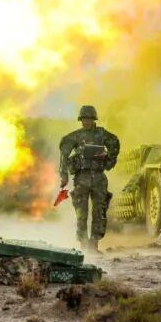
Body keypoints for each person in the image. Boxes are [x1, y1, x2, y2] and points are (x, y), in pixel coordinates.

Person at [59, 105, 120, 251]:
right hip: (81, 178)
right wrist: (64, 175)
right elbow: (64, 151)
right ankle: (83, 245)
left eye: (89, 119)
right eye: (84, 119)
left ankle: (94, 245)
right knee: (81, 213)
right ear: (81, 120)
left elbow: (115, 143)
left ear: (94, 119)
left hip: (99, 177)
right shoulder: (75, 136)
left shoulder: (101, 134)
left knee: (99, 212)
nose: (86, 122)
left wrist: (108, 159)